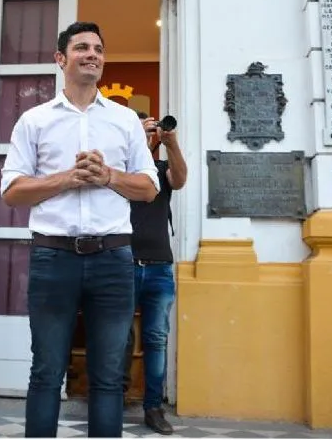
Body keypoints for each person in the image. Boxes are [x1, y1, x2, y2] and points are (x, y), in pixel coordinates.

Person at [1, 21, 159, 438]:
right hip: (53, 258)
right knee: (46, 371)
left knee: (108, 376)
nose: (92, 54)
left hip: (113, 260)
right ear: (61, 58)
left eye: (98, 49)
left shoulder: (125, 121)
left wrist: (107, 176)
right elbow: (12, 191)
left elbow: (148, 188)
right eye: (82, 47)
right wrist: (67, 179)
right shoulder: (34, 120)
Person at [122, 112, 188, 435]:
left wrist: (170, 143)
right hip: (122, 263)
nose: (150, 133)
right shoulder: (121, 170)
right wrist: (143, 144)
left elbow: (180, 178)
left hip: (159, 266)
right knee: (118, 335)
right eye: (142, 129)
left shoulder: (162, 169)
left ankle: (153, 407)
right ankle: (112, 398)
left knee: (156, 339)